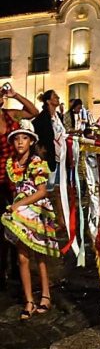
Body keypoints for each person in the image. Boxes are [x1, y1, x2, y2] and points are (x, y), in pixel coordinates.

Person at [1, 121, 59, 319]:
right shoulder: (13, 163)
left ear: (31, 141)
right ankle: (28, 300)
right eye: (16, 139)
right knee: (22, 257)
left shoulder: (36, 163)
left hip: (36, 212)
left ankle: (45, 295)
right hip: (21, 212)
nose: (19, 142)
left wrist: (19, 204)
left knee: (40, 256)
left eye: (24, 138)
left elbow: (42, 192)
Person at [0, 84, 38, 289]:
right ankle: (2, 270)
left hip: (15, 178)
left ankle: (16, 268)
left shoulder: (11, 115)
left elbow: (34, 112)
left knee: (17, 223)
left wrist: (16, 95)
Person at [32, 90, 67, 191]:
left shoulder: (58, 117)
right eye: (55, 96)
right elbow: (34, 133)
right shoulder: (41, 118)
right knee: (48, 187)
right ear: (48, 101)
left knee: (58, 187)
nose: (58, 98)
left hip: (61, 157)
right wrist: (39, 148)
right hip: (49, 157)